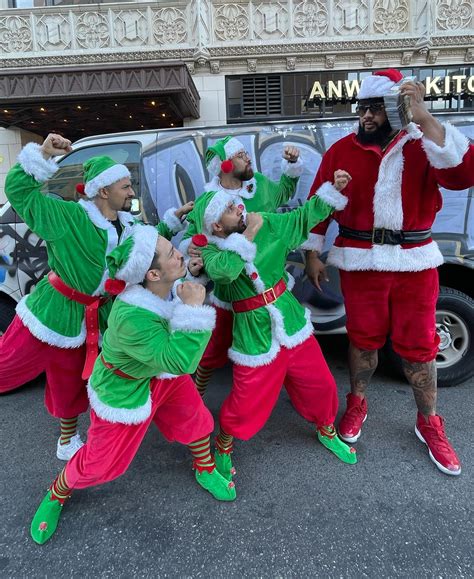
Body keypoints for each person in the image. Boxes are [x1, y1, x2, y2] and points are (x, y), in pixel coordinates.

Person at [304, 69, 473, 476]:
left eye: (376, 108)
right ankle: (357, 402)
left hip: (414, 262)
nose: (366, 116)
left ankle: (429, 420)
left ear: (395, 109)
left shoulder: (423, 145)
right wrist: (313, 252)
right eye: (363, 107)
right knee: (362, 341)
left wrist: (427, 118)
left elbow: (463, 174)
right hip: (360, 260)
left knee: (419, 345)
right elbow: (317, 201)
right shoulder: (342, 150)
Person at [30, 224, 236, 545]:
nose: (179, 253)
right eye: (172, 254)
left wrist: (192, 277)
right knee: (100, 461)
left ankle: (205, 467)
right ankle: (57, 492)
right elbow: (180, 361)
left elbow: (176, 300)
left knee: (193, 418)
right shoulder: (131, 317)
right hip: (124, 387)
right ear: (152, 275)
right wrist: (194, 307)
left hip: (159, 372)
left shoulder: (163, 284)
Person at [0, 134, 191, 460]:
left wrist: (174, 220)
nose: (132, 192)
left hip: (94, 316)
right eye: (125, 187)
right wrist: (43, 155)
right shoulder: (69, 217)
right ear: (104, 191)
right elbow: (19, 192)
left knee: (70, 379)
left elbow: (149, 248)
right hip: (53, 312)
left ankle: (67, 439)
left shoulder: (128, 224)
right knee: (6, 366)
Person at [186, 168, 356, 481]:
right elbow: (224, 272)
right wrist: (249, 233)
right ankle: (224, 444)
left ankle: (326, 428)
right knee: (247, 400)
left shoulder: (268, 222)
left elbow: (302, 218)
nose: (238, 207)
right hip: (253, 334)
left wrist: (332, 190)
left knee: (321, 384)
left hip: (289, 320)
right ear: (215, 225)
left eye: (235, 202)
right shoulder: (211, 250)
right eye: (228, 208)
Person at [179, 135, 303, 397]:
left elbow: (283, 192)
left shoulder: (257, 185)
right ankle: (197, 393)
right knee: (213, 349)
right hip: (230, 292)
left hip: (268, 282)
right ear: (224, 166)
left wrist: (291, 167)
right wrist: (193, 248)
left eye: (246, 153)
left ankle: (290, 388)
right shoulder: (212, 201)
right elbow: (195, 235)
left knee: (283, 340)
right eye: (240, 155)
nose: (248, 158)